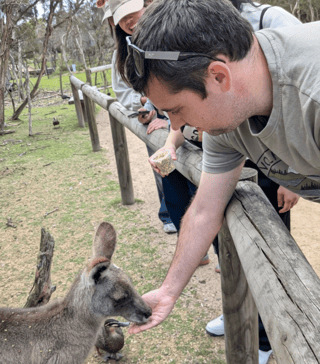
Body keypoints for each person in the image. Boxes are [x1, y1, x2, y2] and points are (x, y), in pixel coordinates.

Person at [125, 0, 320, 352]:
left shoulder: (312, 93)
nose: (177, 126)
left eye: (177, 110)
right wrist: (169, 290)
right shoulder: (228, 116)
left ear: (218, 76)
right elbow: (205, 210)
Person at [100, 0, 178, 234]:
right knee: (167, 171)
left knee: (199, 175)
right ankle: (171, 214)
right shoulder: (123, 52)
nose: (129, 21)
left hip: (183, 120)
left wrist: (168, 116)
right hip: (157, 122)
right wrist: (145, 106)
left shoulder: (170, 34)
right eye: (121, 17)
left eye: (134, 12)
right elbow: (127, 92)